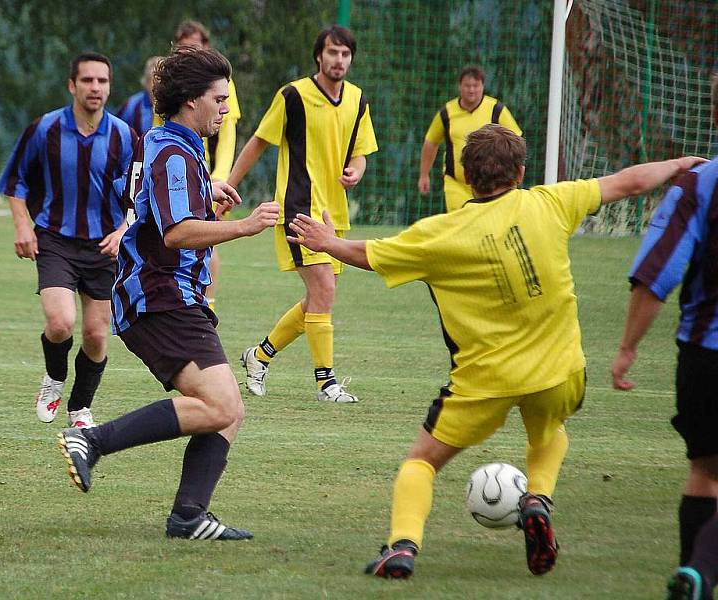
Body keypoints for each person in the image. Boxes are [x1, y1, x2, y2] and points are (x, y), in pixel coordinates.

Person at [286, 123, 705, 578]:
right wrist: (680, 165)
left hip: (483, 384)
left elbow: (371, 253)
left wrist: (328, 243)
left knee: (421, 462)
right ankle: (538, 500)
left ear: (464, 176)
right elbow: (628, 181)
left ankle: (402, 547)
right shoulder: (551, 202)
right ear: (521, 171)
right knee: (548, 431)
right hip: (560, 373)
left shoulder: (438, 234)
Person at [57, 48, 280, 540]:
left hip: (173, 296)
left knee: (227, 410)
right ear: (190, 100)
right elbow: (176, 232)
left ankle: (189, 516)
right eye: (219, 99)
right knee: (222, 406)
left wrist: (208, 191)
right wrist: (243, 227)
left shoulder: (175, 144)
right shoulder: (176, 152)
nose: (225, 108)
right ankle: (91, 440)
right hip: (161, 296)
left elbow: (158, 207)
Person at [228, 25, 377, 403]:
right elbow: (259, 141)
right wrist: (229, 186)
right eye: (332, 53)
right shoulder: (293, 95)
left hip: (335, 215)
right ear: (319, 56)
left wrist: (356, 169)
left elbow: (359, 151)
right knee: (323, 290)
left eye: (345, 54)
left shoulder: (358, 100)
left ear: (351, 59)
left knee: (318, 300)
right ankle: (326, 383)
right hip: (298, 210)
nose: (338, 60)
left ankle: (259, 357)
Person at [611, 75, 718, 600]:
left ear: (714, 116)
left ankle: (692, 580)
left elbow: (656, 273)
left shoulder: (699, 184)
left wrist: (628, 349)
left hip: (702, 357)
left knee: (705, 471)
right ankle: (700, 570)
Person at [0, 52, 137, 428]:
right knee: (60, 323)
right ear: (72, 85)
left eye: (102, 81)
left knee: (95, 333)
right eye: (88, 80)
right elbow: (16, 182)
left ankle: (80, 408)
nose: (95, 88)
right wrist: (22, 225)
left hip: (104, 245)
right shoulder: (45, 129)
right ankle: (54, 379)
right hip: (56, 240)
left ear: (109, 87)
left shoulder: (124, 135)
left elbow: (142, 193)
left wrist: (123, 232)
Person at [167, 19, 243, 313]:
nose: (189, 54)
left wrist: (221, 178)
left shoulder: (220, 84)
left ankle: (205, 305)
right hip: (176, 170)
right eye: (184, 48)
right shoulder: (170, 85)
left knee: (204, 240)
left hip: (205, 176)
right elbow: (158, 126)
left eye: (195, 48)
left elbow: (228, 134)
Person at [418, 66, 522, 212]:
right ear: (460, 86)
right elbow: (431, 142)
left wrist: (516, 172)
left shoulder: (496, 110)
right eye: (467, 86)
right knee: (460, 224)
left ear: (483, 86)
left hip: (491, 185)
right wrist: (424, 175)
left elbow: (517, 141)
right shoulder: (446, 113)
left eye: (476, 86)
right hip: (456, 184)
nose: (471, 90)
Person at [116, 56, 162, 137]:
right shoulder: (131, 106)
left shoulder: (177, 105)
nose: (159, 85)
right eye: (155, 79)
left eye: (163, 80)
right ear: (146, 82)